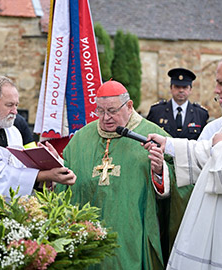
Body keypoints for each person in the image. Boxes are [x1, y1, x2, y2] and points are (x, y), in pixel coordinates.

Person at [55, 80, 192, 270]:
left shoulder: (153, 135)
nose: (105, 118)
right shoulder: (81, 139)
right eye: (100, 111)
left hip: (131, 236)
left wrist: (160, 170)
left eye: (112, 111)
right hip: (87, 239)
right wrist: (54, 167)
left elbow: (180, 185)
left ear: (129, 106)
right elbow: (64, 181)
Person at [144, 52, 222, 269]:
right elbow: (205, 153)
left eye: (221, 82)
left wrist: (219, 145)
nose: (216, 90)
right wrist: (169, 144)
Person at [0, 75, 76, 205]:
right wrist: (44, 175)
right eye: (9, 105)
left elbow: (21, 169)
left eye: (16, 105)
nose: (15, 111)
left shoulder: (13, 132)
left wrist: (49, 162)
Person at [147, 68, 209, 139]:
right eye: (177, 87)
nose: (181, 90)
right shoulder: (157, 111)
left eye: (185, 87)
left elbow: (204, 142)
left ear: (190, 89)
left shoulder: (200, 114)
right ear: (171, 88)